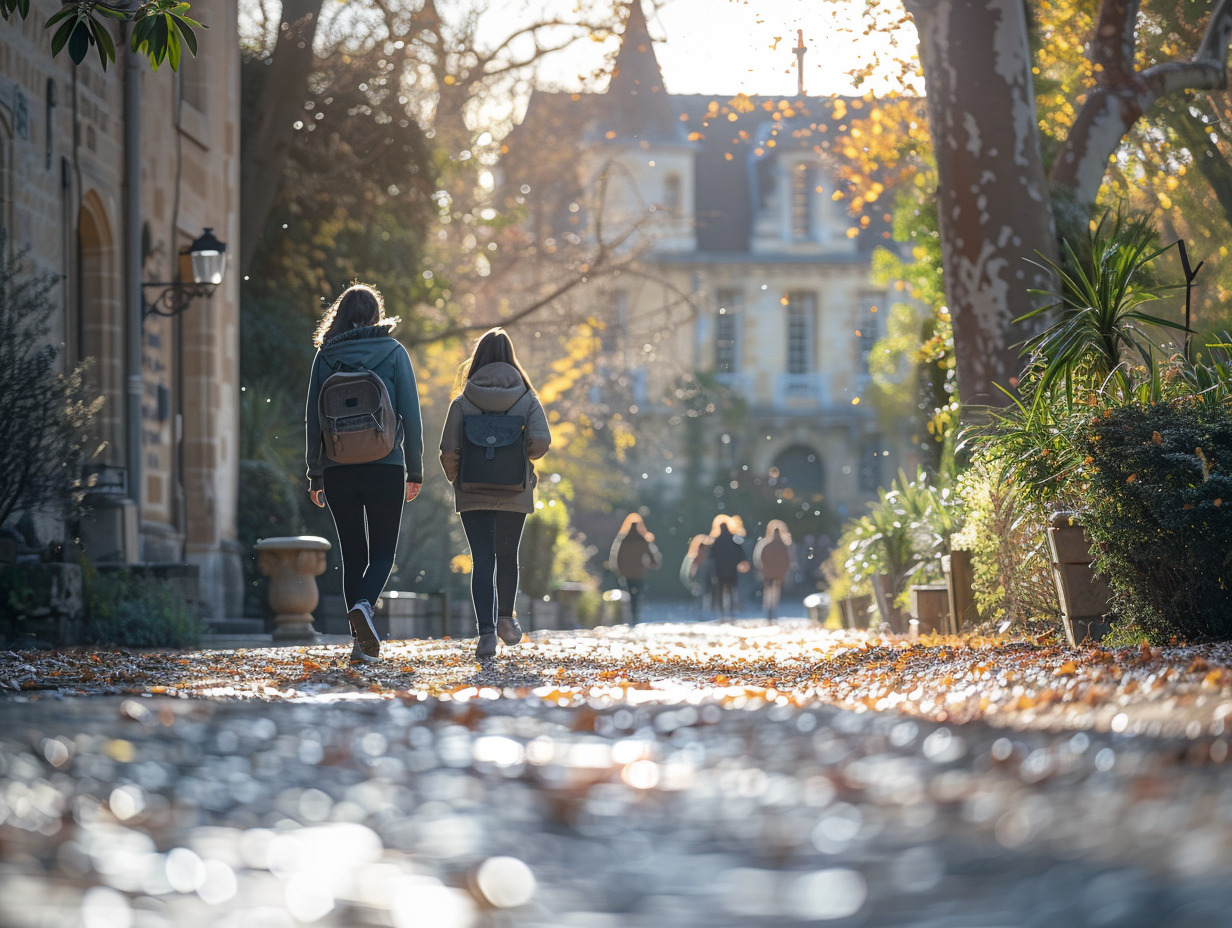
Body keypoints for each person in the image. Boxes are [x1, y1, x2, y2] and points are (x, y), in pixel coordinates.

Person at [305, 283, 422, 664]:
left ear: (338, 315)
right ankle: (364, 611)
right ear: (375, 315)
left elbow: (312, 419)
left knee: (353, 554)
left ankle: (359, 641)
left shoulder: (325, 357)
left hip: (339, 468)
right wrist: (415, 469)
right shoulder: (393, 352)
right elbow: (411, 414)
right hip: (386, 464)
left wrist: (315, 473)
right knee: (384, 553)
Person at [439, 328, 551, 659]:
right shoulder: (526, 398)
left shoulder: (462, 401)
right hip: (514, 489)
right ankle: (505, 619)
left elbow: (448, 449)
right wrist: (520, 458)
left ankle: (485, 634)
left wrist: (457, 479)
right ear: (510, 358)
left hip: (472, 490)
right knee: (506, 556)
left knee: (482, 559)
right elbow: (541, 443)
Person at [608, 513, 662, 625]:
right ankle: (635, 615)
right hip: (639, 573)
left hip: (626, 573)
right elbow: (652, 556)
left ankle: (631, 616)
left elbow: (616, 557)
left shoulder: (623, 540)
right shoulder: (642, 540)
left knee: (630, 594)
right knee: (636, 595)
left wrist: (618, 571)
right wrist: (654, 564)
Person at [708, 514, 750, 619]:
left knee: (721, 592)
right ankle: (731, 611)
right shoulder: (733, 539)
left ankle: (722, 612)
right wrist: (743, 563)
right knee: (731, 591)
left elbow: (711, 556)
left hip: (720, 571)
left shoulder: (716, 541)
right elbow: (741, 554)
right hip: (731, 571)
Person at [753, 519, 793, 621]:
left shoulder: (765, 545)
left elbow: (758, 559)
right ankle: (771, 611)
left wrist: (762, 569)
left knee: (769, 593)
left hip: (768, 574)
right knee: (774, 592)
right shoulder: (783, 546)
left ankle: (769, 611)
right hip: (777, 574)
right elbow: (787, 560)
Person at [679, 533, 713, 616]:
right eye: (703, 548)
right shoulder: (692, 559)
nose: (705, 551)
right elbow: (685, 575)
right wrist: (693, 585)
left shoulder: (708, 561)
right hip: (695, 586)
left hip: (704, 588)